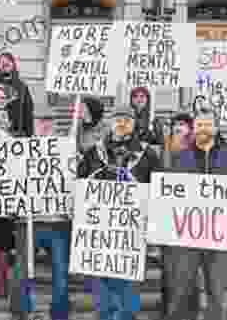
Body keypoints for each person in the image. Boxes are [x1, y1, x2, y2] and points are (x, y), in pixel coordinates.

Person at [77, 104, 162, 320]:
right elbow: (80, 184)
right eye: (117, 119)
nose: (122, 123)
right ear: (110, 122)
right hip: (100, 227)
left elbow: (159, 190)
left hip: (132, 228)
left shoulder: (148, 155)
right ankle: (105, 315)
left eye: (126, 119)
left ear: (133, 124)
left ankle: (126, 315)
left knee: (130, 279)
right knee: (102, 277)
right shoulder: (93, 152)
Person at [163, 107, 227, 320]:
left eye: (208, 124)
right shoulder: (179, 157)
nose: (203, 129)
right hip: (187, 238)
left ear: (216, 128)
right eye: (199, 125)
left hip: (219, 236)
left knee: (217, 293)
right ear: (193, 128)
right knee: (181, 292)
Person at [10, 114, 72, 320]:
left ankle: (60, 314)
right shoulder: (20, 149)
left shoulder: (66, 150)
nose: (44, 125)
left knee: (61, 271)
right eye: (40, 121)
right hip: (28, 221)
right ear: (33, 124)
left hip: (57, 222)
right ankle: (21, 312)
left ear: (54, 125)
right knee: (21, 271)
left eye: (48, 121)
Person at [159, 112, 201, 317]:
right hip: (168, 220)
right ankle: (169, 312)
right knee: (168, 272)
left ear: (190, 129)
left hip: (192, 221)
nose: (178, 128)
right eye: (176, 124)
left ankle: (189, 314)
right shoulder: (165, 149)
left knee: (190, 273)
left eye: (183, 124)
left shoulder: (199, 151)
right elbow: (160, 175)